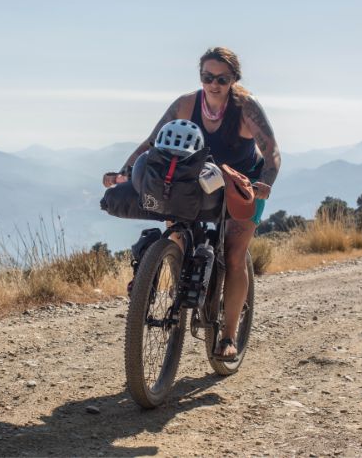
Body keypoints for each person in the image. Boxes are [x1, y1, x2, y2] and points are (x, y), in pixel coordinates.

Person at [103, 47, 281, 359]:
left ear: (233, 79)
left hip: (241, 185)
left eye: (222, 78)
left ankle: (228, 337)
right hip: (195, 182)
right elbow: (152, 143)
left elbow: (272, 151)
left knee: (234, 256)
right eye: (207, 77)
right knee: (175, 225)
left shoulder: (245, 109)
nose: (213, 84)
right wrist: (125, 172)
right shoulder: (187, 103)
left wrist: (265, 182)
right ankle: (162, 271)